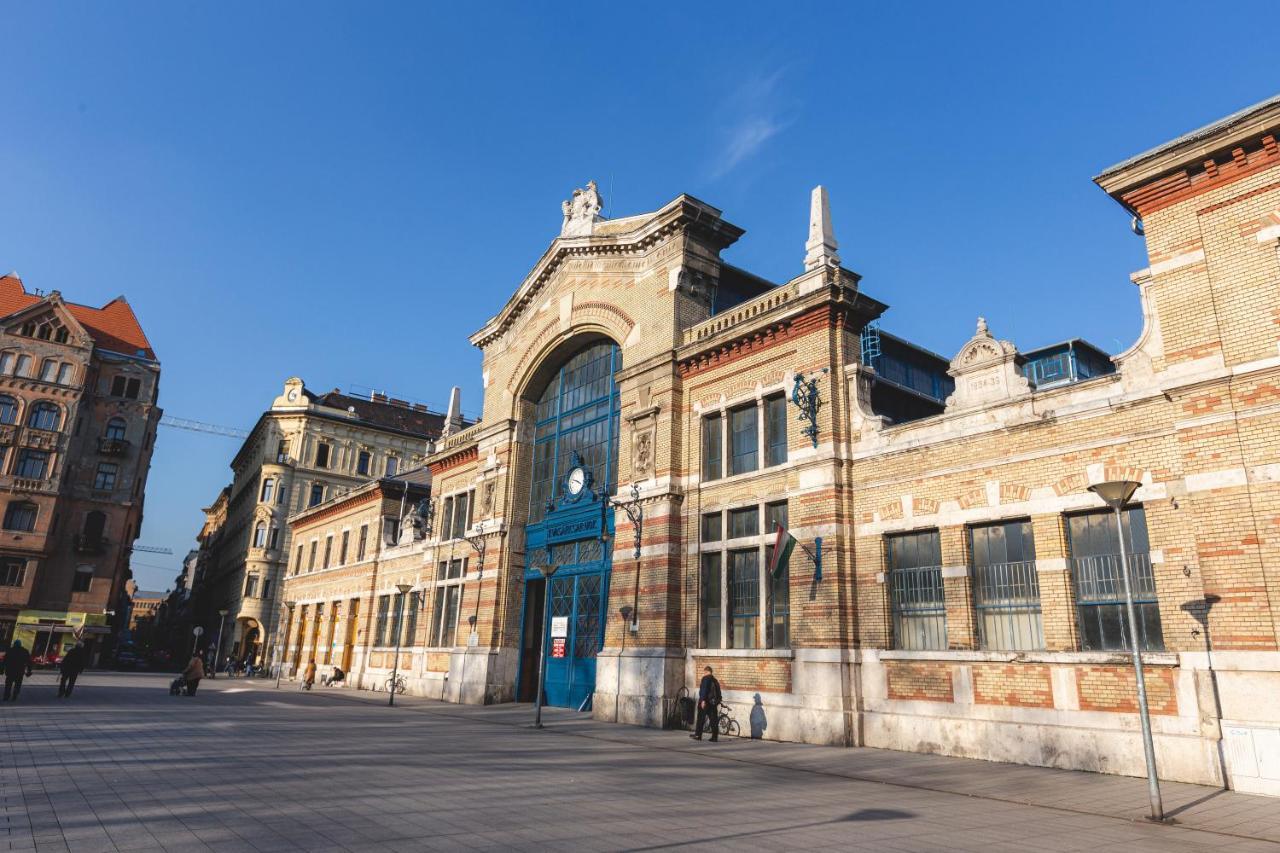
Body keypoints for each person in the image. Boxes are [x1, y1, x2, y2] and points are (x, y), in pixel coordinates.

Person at [691, 665, 722, 742]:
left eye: (704, 672)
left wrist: (702, 701)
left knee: (701, 719)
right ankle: (714, 737)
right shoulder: (715, 680)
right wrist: (717, 701)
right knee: (713, 720)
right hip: (713, 703)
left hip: (706, 702)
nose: (703, 674)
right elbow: (719, 692)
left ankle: (698, 735)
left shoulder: (705, 679)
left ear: (707, 672)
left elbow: (704, 690)